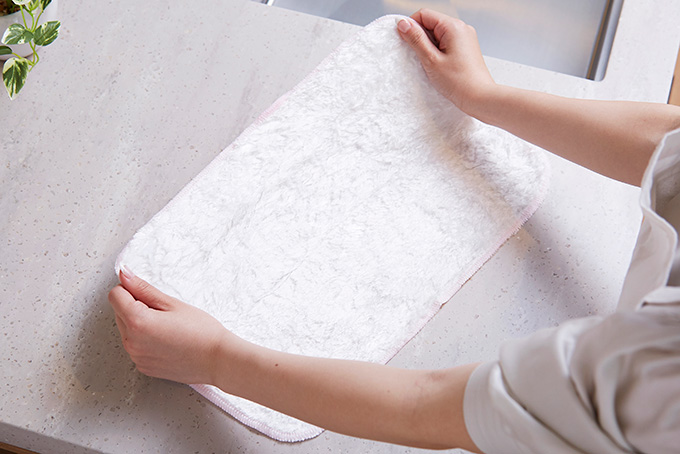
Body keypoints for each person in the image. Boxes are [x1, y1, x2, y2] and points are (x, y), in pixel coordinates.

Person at [108, 9, 680, 453]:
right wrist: (483, 97)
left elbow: (432, 407)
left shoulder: (649, 387)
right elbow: (667, 144)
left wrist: (216, 359)